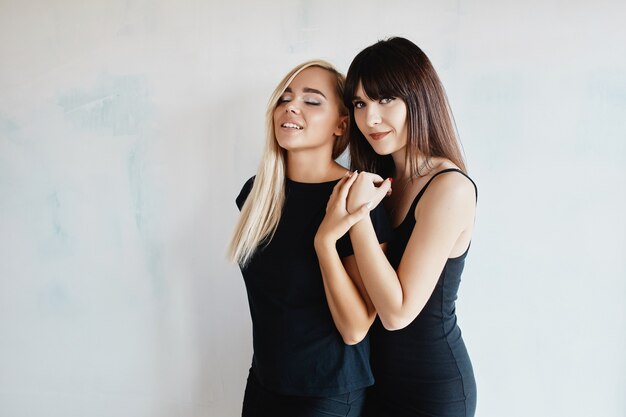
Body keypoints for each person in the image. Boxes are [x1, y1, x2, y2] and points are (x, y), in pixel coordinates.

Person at [317, 37, 478, 416]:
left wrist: (357, 216)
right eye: (359, 103)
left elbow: (397, 312)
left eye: (385, 99)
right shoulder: (380, 180)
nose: (370, 118)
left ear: (419, 98)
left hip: (431, 389)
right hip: (373, 380)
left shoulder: (449, 187)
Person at [228, 60, 391, 417]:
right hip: (264, 383)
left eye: (312, 100)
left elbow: (355, 328)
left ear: (341, 124)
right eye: (284, 98)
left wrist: (325, 243)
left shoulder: (358, 196)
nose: (291, 106)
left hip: (327, 394)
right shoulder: (256, 195)